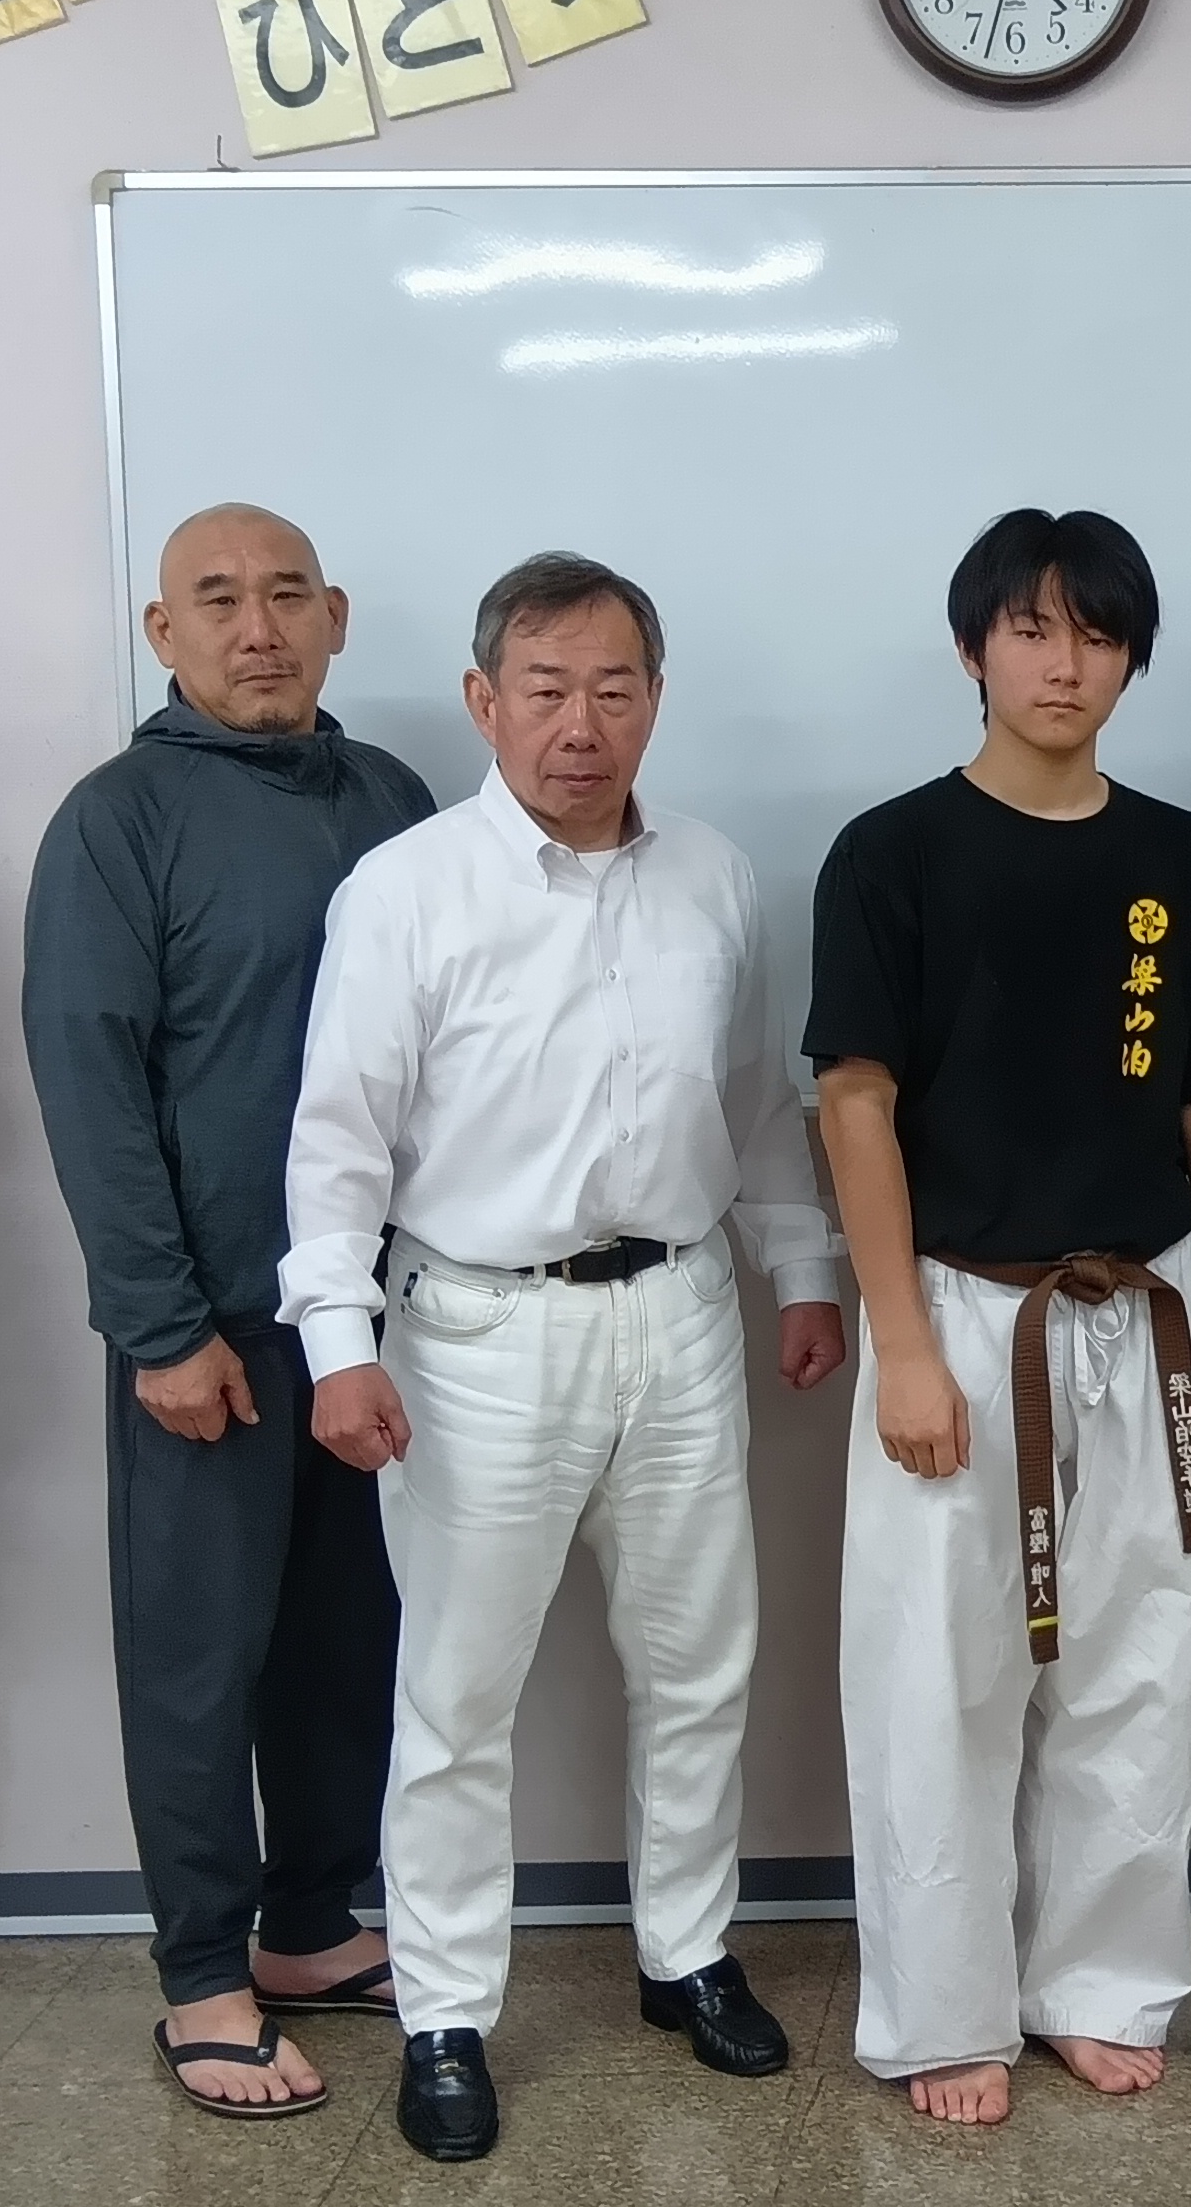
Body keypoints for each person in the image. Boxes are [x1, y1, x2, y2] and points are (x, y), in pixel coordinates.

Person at [280, 552, 849, 2163]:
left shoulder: (714, 877)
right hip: (473, 1332)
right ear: (484, 701)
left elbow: (754, 1101)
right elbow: (337, 1141)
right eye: (545, 689)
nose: (579, 725)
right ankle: (446, 2012)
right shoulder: (406, 890)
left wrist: (802, 1273)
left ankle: (688, 1955)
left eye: (613, 689)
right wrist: (337, 1344)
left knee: (700, 1662)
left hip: (678, 1311)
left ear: (655, 701)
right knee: (459, 1694)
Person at [808, 509, 1191, 2128]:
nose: (1062, 663)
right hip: (960, 1305)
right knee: (937, 1676)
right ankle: (943, 2010)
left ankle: (1098, 1982)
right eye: (1029, 628)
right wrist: (902, 1345)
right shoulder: (892, 853)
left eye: (1095, 633)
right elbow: (855, 1102)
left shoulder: (1182, 860)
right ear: (973, 649)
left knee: (1140, 1662)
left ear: (1132, 657)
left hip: (1149, 1307)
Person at [21, 505, 435, 2119]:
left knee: (346, 1640)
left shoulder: (393, 799)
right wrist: (159, 1325)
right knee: (200, 1660)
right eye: (217, 601)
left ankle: (310, 1926)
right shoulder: (118, 820)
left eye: (285, 597)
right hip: (214, 1327)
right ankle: (202, 1974)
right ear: (163, 632)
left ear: (335, 616)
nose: (256, 629)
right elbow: (88, 1074)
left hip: (373, 1320)